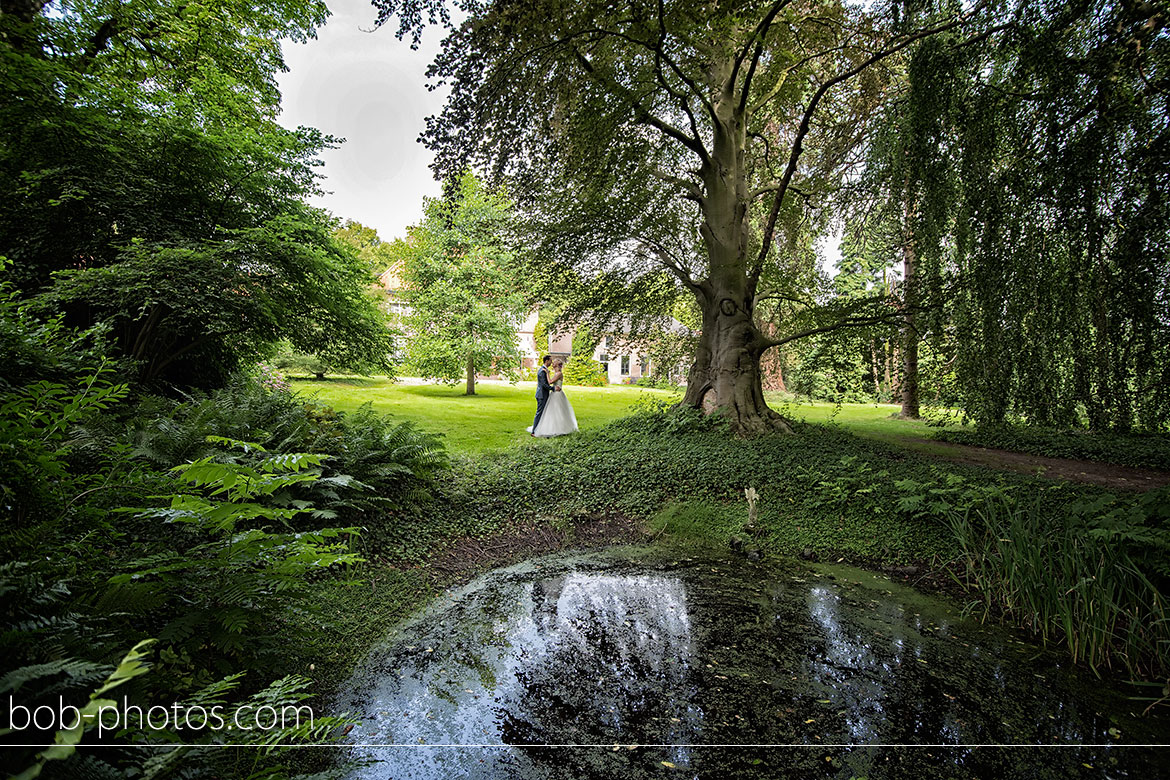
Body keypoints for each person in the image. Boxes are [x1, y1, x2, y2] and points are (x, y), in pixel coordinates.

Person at [531, 358, 578, 438]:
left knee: (558, 412)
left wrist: (547, 374)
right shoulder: (554, 372)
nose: (552, 363)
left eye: (554, 362)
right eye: (551, 361)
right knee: (550, 412)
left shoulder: (559, 373)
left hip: (557, 394)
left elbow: (550, 382)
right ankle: (540, 429)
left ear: (557, 365)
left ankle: (559, 428)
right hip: (553, 394)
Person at [529, 355, 553, 436]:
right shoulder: (542, 371)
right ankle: (534, 431)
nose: (551, 362)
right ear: (546, 361)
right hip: (541, 395)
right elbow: (544, 384)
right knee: (539, 413)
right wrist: (552, 389)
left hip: (543, 394)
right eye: (550, 360)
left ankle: (539, 429)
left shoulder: (544, 370)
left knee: (542, 413)